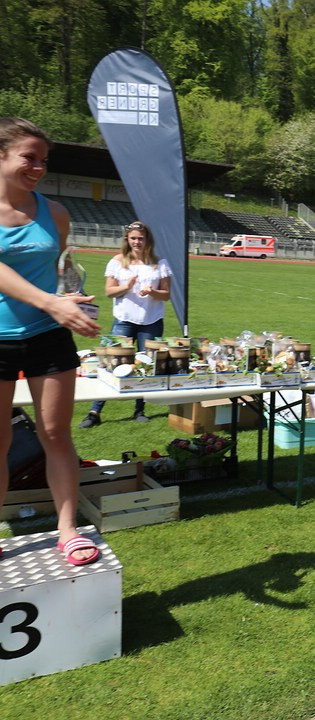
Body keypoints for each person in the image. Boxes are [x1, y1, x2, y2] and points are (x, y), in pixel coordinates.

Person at [0, 117, 101, 564]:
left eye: (43, 160)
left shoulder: (55, 213)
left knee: (56, 434)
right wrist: (51, 302)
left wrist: (65, 299)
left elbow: (50, 272)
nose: (38, 167)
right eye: (29, 157)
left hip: (47, 336)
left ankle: (67, 529)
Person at [78, 220, 172, 428]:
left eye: (141, 238)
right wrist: (126, 286)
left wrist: (152, 292)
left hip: (151, 321)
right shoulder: (117, 261)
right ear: (127, 240)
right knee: (112, 363)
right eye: (133, 238)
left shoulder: (159, 263)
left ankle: (140, 409)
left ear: (148, 240)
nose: (137, 242)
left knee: (143, 365)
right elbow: (109, 291)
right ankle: (95, 411)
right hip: (124, 320)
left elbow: (166, 295)